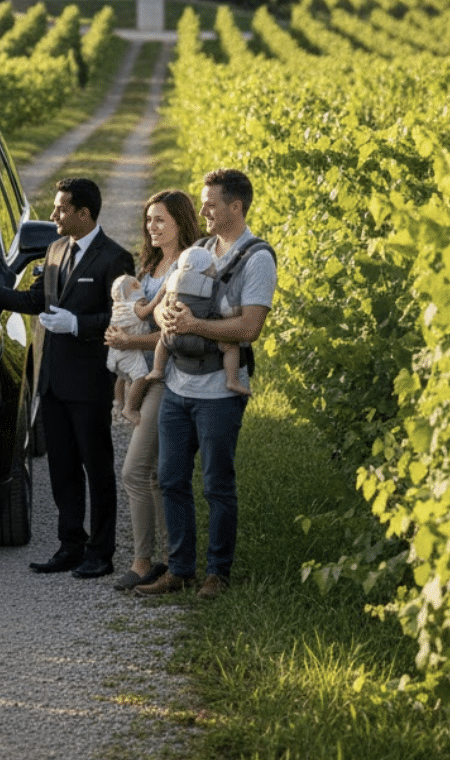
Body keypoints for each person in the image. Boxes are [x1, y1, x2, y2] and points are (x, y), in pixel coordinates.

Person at [0, 178, 134, 579]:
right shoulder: (53, 250)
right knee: (62, 467)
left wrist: (79, 323)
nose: (53, 215)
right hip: (52, 381)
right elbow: (33, 301)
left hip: (88, 383)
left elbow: (123, 319)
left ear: (84, 214)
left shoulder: (114, 258)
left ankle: (101, 552)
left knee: (96, 468)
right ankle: (70, 545)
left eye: (62, 209)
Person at [136, 169, 277, 600]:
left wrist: (195, 323)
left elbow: (250, 328)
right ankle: (179, 569)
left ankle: (218, 573)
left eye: (211, 204)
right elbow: (162, 307)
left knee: (217, 482)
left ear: (237, 206)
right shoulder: (196, 250)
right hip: (178, 384)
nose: (203, 212)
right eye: (202, 203)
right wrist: (167, 319)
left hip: (220, 388)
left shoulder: (257, 259)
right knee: (171, 478)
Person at [105, 190, 201, 592]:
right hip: (140, 376)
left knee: (134, 471)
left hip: (166, 377)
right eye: (149, 220)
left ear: (180, 221)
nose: (152, 227)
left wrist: (128, 344)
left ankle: (144, 560)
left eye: (160, 219)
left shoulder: (186, 266)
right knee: (159, 476)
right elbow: (137, 320)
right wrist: (117, 337)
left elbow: (172, 331)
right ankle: (171, 560)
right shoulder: (149, 267)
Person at [144, 245, 248, 396]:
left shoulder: (173, 283)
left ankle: (157, 369)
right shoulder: (214, 287)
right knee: (231, 347)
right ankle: (232, 380)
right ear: (208, 269)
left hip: (174, 339)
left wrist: (165, 315)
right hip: (203, 341)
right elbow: (228, 310)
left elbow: (162, 306)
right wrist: (237, 311)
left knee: (162, 339)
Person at [106, 274, 151, 425]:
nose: (138, 286)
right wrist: (159, 297)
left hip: (117, 352)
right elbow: (145, 313)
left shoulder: (118, 306)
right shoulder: (133, 305)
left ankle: (120, 403)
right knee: (141, 376)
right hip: (128, 351)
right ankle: (129, 408)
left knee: (123, 377)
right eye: (135, 285)